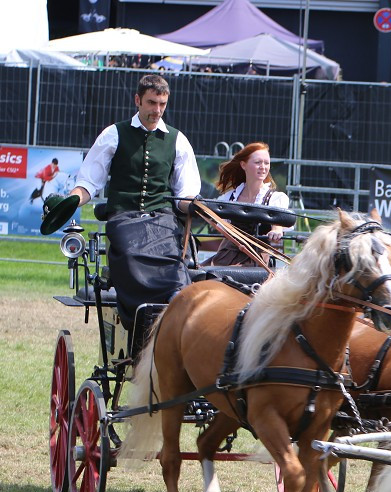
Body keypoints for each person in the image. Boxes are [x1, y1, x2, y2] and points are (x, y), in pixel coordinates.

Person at [50, 74, 200, 329]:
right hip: (123, 217)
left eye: (162, 104)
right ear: (137, 100)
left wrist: (195, 206)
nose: (157, 110)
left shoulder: (178, 140)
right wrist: (71, 201)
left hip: (162, 218)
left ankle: (176, 301)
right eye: (152, 103)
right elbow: (88, 182)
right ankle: (140, 317)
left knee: (173, 259)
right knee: (130, 254)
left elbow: (185, 194)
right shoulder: (113, 134)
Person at [205, 142, 290, 267]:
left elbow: (277, 221)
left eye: (266, 163)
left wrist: (276, 230)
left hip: (256, 259)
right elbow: (213, 214)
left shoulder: (275, 198)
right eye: (258, 162)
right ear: (243, 165)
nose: (263, 167)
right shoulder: (229, 197)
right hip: (225, 256)